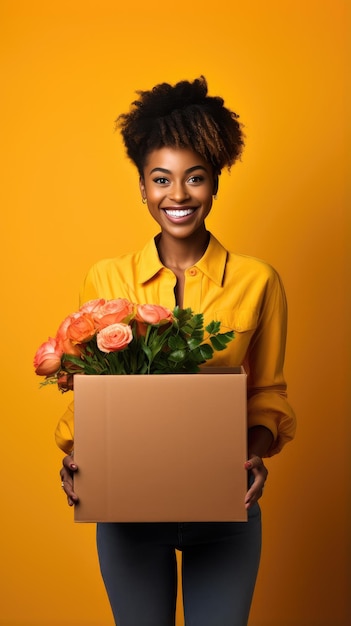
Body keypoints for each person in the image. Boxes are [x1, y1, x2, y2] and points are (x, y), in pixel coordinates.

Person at [57, 76, 296, 626]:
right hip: (128, 510)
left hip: (225, 507)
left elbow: (268, 393)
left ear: (215, 183)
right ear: (142, 187)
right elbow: (90, 388)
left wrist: (257, 454)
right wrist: (75, 462)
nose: (178, 195)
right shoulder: (106, 276)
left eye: (195, 178)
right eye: (161, 180)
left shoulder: (259, 282)